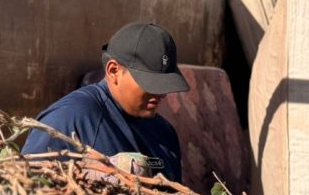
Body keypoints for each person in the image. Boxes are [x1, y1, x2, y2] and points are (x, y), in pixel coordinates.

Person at [21, 22, 190, 182]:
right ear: (114, 71)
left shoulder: (165, 133)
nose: (162, 93)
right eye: (151, 83)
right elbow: (31, 188)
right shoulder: (69, 119)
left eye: (164, 84)